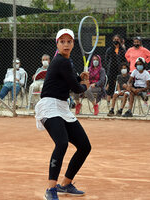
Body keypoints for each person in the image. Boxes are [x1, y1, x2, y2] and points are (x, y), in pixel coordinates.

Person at [35, 28, 91, 200]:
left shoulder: (67, 61)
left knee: (84, 146)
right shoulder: (61, 61)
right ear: (57, 44)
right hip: (49, 106)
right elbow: (76, 89)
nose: (66, 45)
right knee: (62, 143)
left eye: (69, 41)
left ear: (73, 44)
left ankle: (65, 184)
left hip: (62, 108)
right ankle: (51, 190)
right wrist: (85, 86)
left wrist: (81, 78)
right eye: (62, 41)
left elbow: (72, 79)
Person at [104, 35, 126, 106]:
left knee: (120, 84)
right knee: (111, 84)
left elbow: (124, 60)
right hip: (111, 69)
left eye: (117, 39)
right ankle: (108, 101)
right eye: (115, 39)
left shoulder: (122, 50)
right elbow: (106, 59)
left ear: (120, 40)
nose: (116, 40)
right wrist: (109, 66)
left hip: (119, 69)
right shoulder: (110, 49)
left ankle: (122, 101)